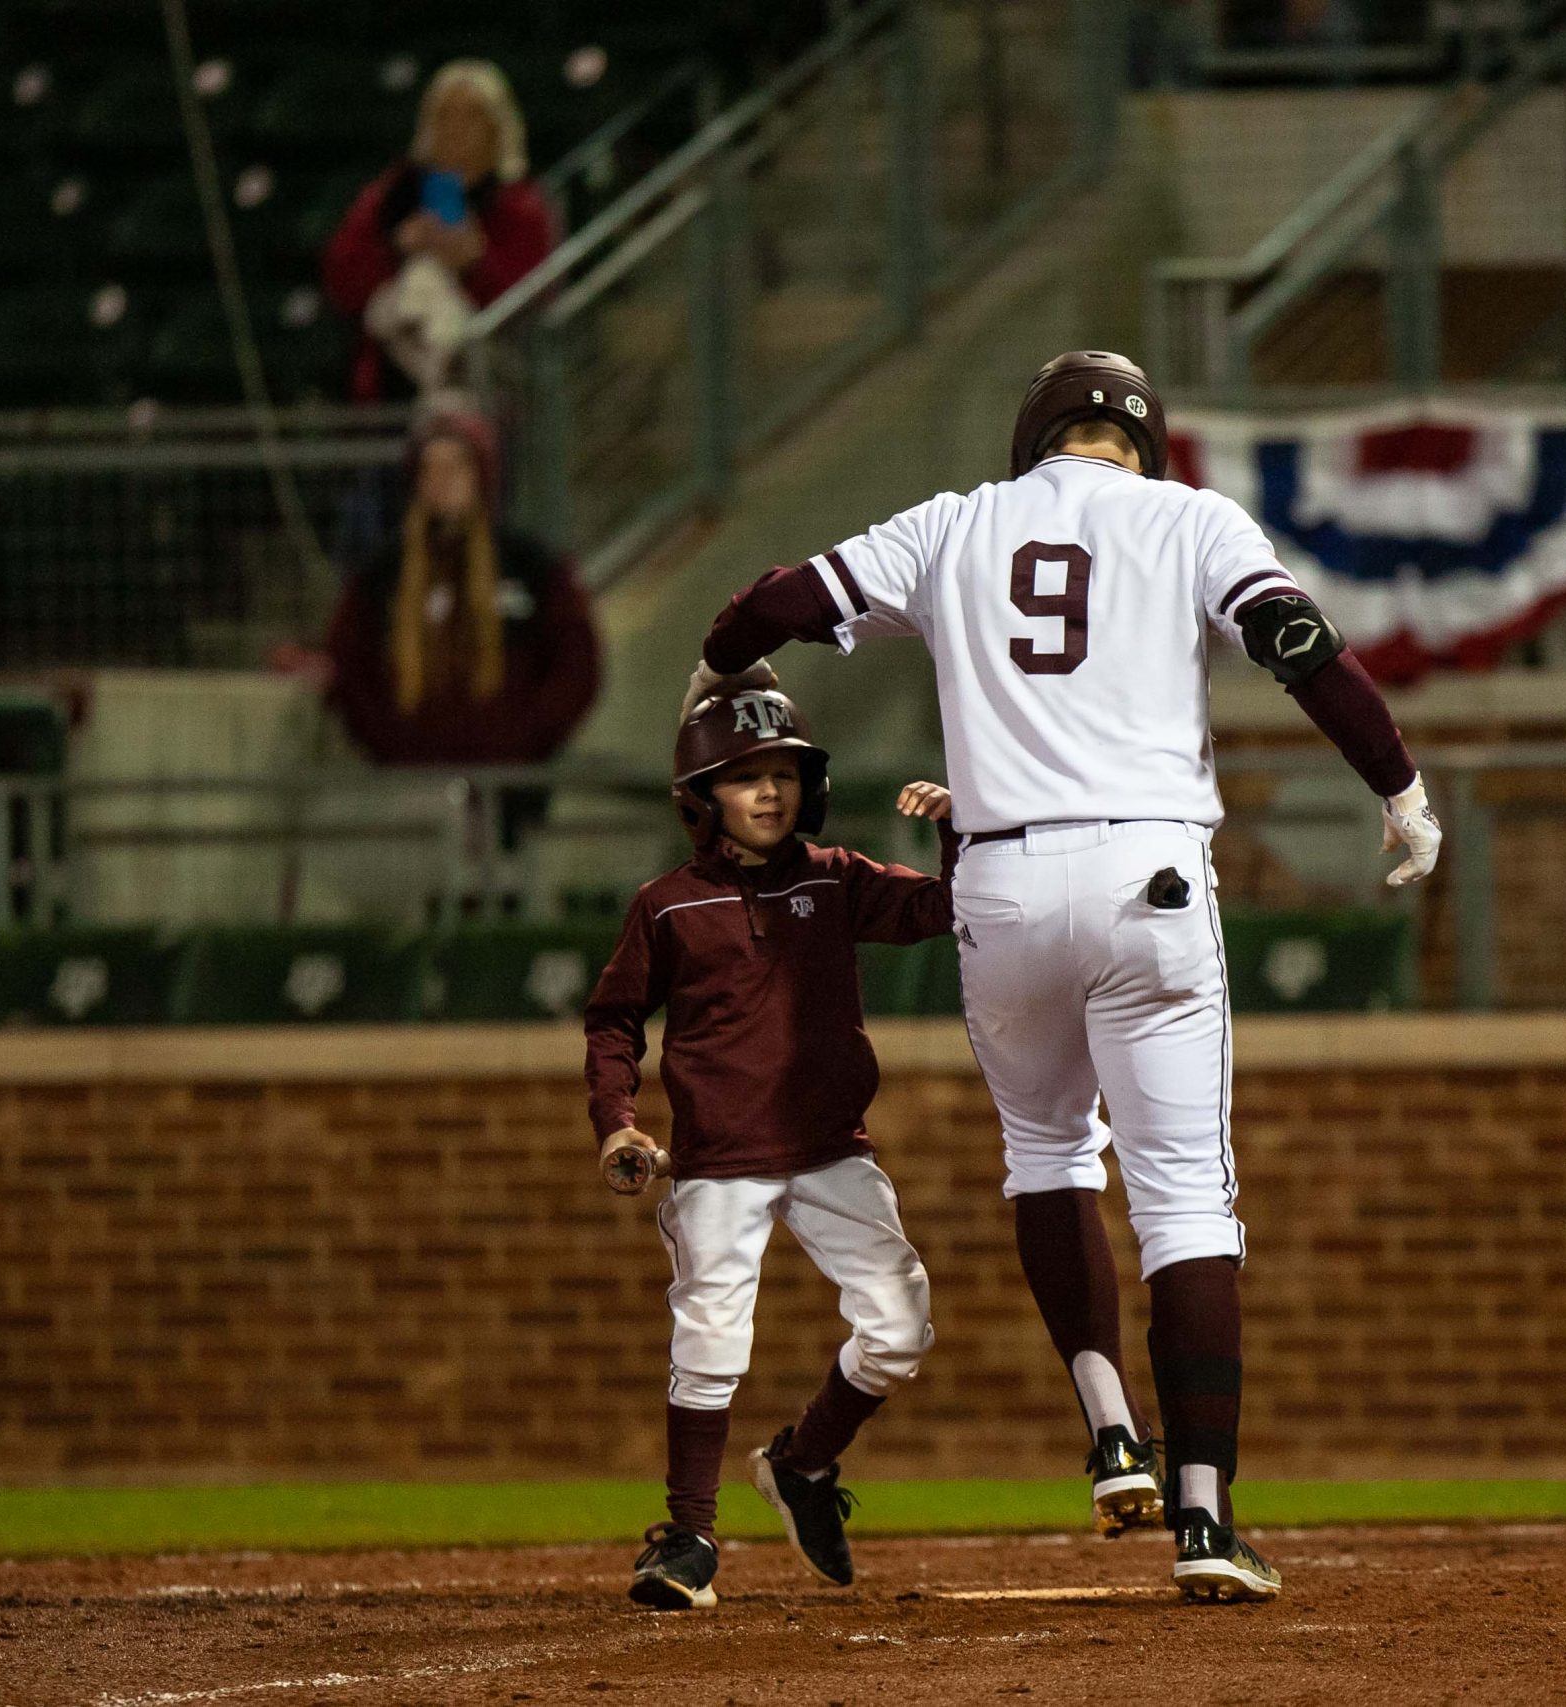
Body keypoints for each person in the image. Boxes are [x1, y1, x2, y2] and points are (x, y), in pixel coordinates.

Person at [681, 350, 1441, 1603]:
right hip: (1151, 873)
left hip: (999, 887)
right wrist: (1398, 789)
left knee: (1045, 1151)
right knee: (1186, 1201)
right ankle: (1204, 1517)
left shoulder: (954, 523)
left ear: (1034, 433)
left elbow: (768, 607)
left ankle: (1106, 1432)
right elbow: (1298, 646)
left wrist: (717, 671)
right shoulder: (1192, 518)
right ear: (1141, 443)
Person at [585, 667, 959, 1608]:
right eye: (744, 775)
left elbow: (941, 908)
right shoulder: (666, 903)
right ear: (701, 797)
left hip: (833, 1145)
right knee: (711, 1334)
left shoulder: (836, 879)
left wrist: (958, 826)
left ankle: (802, 1463)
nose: (769, 792)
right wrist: (617, 1121)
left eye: (784, 772)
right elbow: (614, 1022)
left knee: (902, 1325)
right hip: (717, 1162)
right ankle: (688, 1537)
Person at [324, 410, 599, 770]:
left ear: (480, 477)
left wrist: (526, 739)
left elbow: (577, 663)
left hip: (507, 783)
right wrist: (390, 743)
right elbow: (348, 665)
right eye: (431, 469)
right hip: (414, 783)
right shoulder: (383, 573)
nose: (443, 481)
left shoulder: (529, 564)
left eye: (457, 467)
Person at [321, 59, 556, 402]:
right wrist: (398, 248)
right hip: (392, 385)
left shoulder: (521, 206)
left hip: (486, 391)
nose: (455, 129)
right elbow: (341, 276)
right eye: (444, 115)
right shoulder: (394, 192)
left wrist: (475, 263)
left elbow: (533, 304)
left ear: (496, 128)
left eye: (471, 116)